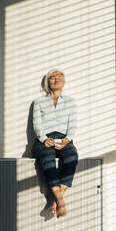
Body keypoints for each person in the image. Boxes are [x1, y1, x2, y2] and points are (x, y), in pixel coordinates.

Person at [32, 69, 78, 218]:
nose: (56, 79)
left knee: (72, 156)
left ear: (64, 82)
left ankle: (54, 201)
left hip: (63, 138)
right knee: (47, 158)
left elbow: (72, 124)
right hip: (44, 139)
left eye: (59, 77)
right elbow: (37, 124)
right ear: (48, 83)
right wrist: (44, 139)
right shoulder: (39, 102)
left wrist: (67, 139)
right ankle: (60, 200)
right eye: (52, 78)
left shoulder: (71, 102)